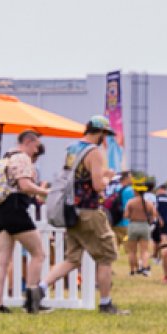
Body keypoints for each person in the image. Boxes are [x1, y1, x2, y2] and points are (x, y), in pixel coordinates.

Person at [41, 118, 124, 315]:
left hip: (71, 210)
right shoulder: (95, 152)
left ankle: (39, 289)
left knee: (72, 259)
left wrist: (100, 173)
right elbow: (97, 185)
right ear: (100, 133)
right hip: (89, 210)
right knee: (105, 257)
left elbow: (78, 175)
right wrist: (108, 178)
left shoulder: (72, 148)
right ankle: (105, 303)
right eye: (105, 136)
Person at [0, 131, 52, 313]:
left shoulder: (4, 160)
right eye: (36, 146)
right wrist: (45, 192)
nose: (36, 151)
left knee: (2, 260)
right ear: (29, 142)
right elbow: (25, 186)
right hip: (14, 208)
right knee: (38, 253)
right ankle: (32, 301)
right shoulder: (22, 158)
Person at [123, 181, 157, 277]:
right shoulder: (148, 203)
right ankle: (145, 268)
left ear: (135, 191)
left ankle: (133, 270)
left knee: (132, 250)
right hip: (144, 226)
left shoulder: (131, 202)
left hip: (133, 225)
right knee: (144, 250)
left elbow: (126, 215)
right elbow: (154, 215)